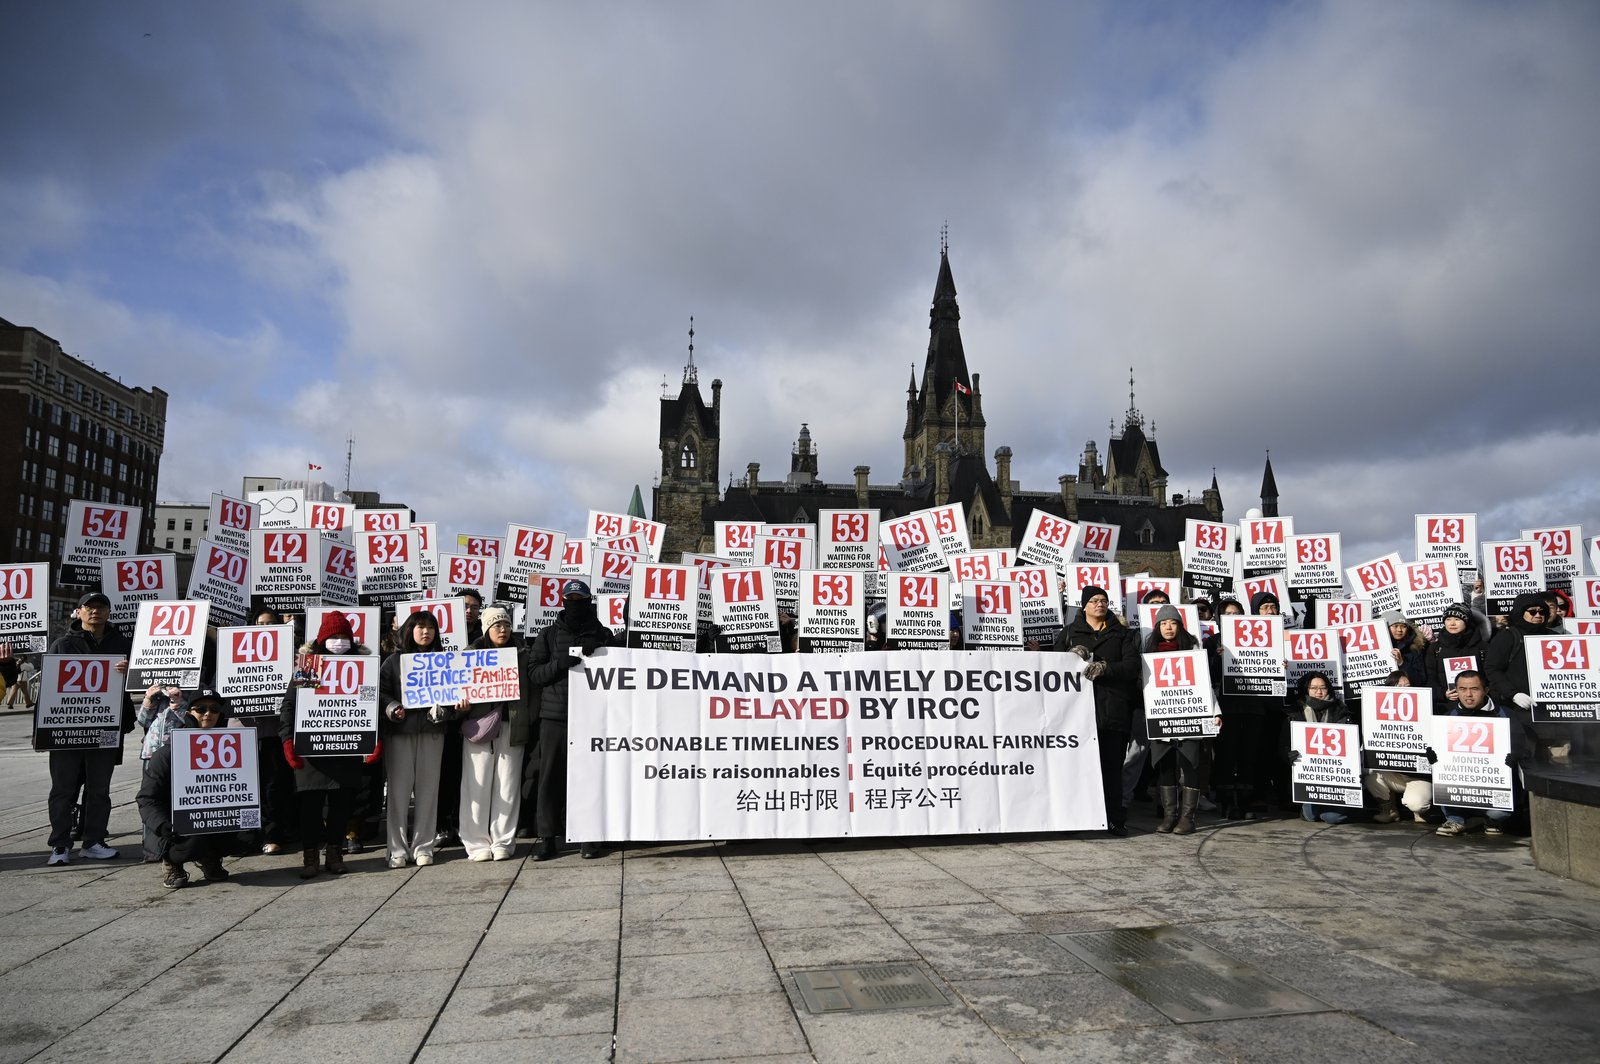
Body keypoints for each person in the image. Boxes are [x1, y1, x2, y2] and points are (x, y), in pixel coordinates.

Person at [279, 613, 381, 878]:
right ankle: (310, 856)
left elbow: (370, 703)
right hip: (312, 748)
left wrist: (374, 738)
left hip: (346, 747)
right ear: (322, 640)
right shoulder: (311, 666)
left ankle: (335, 853)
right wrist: (288, 741)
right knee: (310, 806)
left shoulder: (361, 665)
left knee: (341, 805)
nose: (338, 642)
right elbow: (290, 704)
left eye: (343, 637)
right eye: (333, 637)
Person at [42, 593, 134, 865]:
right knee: (62, 789)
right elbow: (48, 690)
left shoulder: (123, 644)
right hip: (67, 731)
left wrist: (132, 672)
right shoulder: (62, 645)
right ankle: (60, 845)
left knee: (99, 789)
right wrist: (44, 733)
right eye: (89, 607)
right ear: (79, 612)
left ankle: (93, 841)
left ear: (109, 612)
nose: (95, 611)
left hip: (106, 727)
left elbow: (142, 683)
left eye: (101, 607)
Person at [528, 579, 616, 860]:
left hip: (593, 719)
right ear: (563, 602)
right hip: (556, 718)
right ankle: (547, 837)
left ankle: (588, 836)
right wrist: (559, 664)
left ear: (589, 601)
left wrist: (602, 648)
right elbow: (534, 674)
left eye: (581, 600)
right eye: (571, 599)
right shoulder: (548, 635)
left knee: (590, 779)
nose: (575, 604)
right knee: (550, 779)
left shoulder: (603, 633)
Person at [135, 689, 244, 888]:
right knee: (194, 831)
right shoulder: (167, 753)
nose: (208, 714)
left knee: (249, 833)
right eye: (200, 709)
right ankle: (172, 861)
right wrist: (162, 825)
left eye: (214, 709)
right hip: (175, 828)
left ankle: (210, 856)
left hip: (212, 819)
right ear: (189, 713)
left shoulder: (237, 750)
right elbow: (147, 799)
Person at [1054, 585, 1139, 836]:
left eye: (1103, 600)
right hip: (1076, 714)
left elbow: (1132, 666)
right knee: (1076, 769)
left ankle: (1113, 818)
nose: (1100, 604)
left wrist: (1106, 668)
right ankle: (1075, 818)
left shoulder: (1122, 634)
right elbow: (1053, 665)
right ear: (1084, 606)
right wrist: (1070, 656)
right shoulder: (1070, 633)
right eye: (1094, 601)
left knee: (1111, 769)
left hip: (1111, 711)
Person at [377, 611, 454, 868]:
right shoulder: (393, 662)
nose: (426, 632)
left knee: (428, 792)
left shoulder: (445, 661)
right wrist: (393, 708)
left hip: (433, 732)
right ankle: (396, 849)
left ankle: (424, 847)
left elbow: (455, 692)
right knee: (398, 794)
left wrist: (446, 709)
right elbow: (381, 694)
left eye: (431, 627)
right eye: (420, 627)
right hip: (400, 733)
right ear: (409, 630)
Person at [458, 606, 534, 861]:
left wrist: (528, 716)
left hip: (512, 725)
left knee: (508, 785)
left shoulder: (523, 652)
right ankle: (476, 842)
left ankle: (503, 840)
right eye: (496, 625)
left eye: (506, 624)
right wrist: (463, 705)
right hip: (480, 726)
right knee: (475, 785)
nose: (502, 629)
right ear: (486, 628)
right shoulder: (470, 654)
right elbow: (460, 687)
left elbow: (532, 690)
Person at [1142, 604, 1213, 834]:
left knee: (1189, 763)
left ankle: (1187, 818)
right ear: (1157, 627)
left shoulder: (1192, 648)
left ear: (1180, 625)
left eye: (1172, 622)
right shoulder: (1149, 651)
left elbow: (1205, 684)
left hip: (1189, 714)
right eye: (1163, 623)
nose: (1168, 627)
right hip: (1161, 715)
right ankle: (1169, 815)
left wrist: (1215, 711)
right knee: (1165, 764)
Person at [1430, 670, 1525, 837]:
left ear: (1486, 690)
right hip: (1460, 784)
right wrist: (1433, 757)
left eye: (1474, 689)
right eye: (1462, 689)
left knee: (1499, 812)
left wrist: (1514, 755)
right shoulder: (1447, 717)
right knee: (1442, 781)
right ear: (1456, 691)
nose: (1468, 695)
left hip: (1494, 784)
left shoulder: (1504, 715)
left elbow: (1522, 746)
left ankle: (1494, 820)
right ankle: (1455, 819)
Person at [1285, 672, 1357, 824]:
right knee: (1311, 816)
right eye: (1314, 688)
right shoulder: (1295, 713)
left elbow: (1354, 744)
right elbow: (1283, 744)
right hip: (1307, 777)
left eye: (1323, 688)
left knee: (1332, 817)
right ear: (1306, 690)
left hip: (1335, 776)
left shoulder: (1340, 711)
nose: (1319, 692)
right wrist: (1288, 754)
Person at [1424, 602, 1488, 711]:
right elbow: (1430, 677)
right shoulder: (1435, 649)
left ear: (1466, 621)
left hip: (1479, 706)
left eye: (1457, 619)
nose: (1452, 623)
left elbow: (1490, 675)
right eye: (1448, 619)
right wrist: (1442, 693)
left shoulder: (1482, 647)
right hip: (1446, 707)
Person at [1382, 611, 1428, 688]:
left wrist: (1402, 663)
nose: (1400, 630)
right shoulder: (1372, 649)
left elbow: (1420, 680)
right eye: (1395, 626)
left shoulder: (1415, 649)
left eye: (1404, 626)